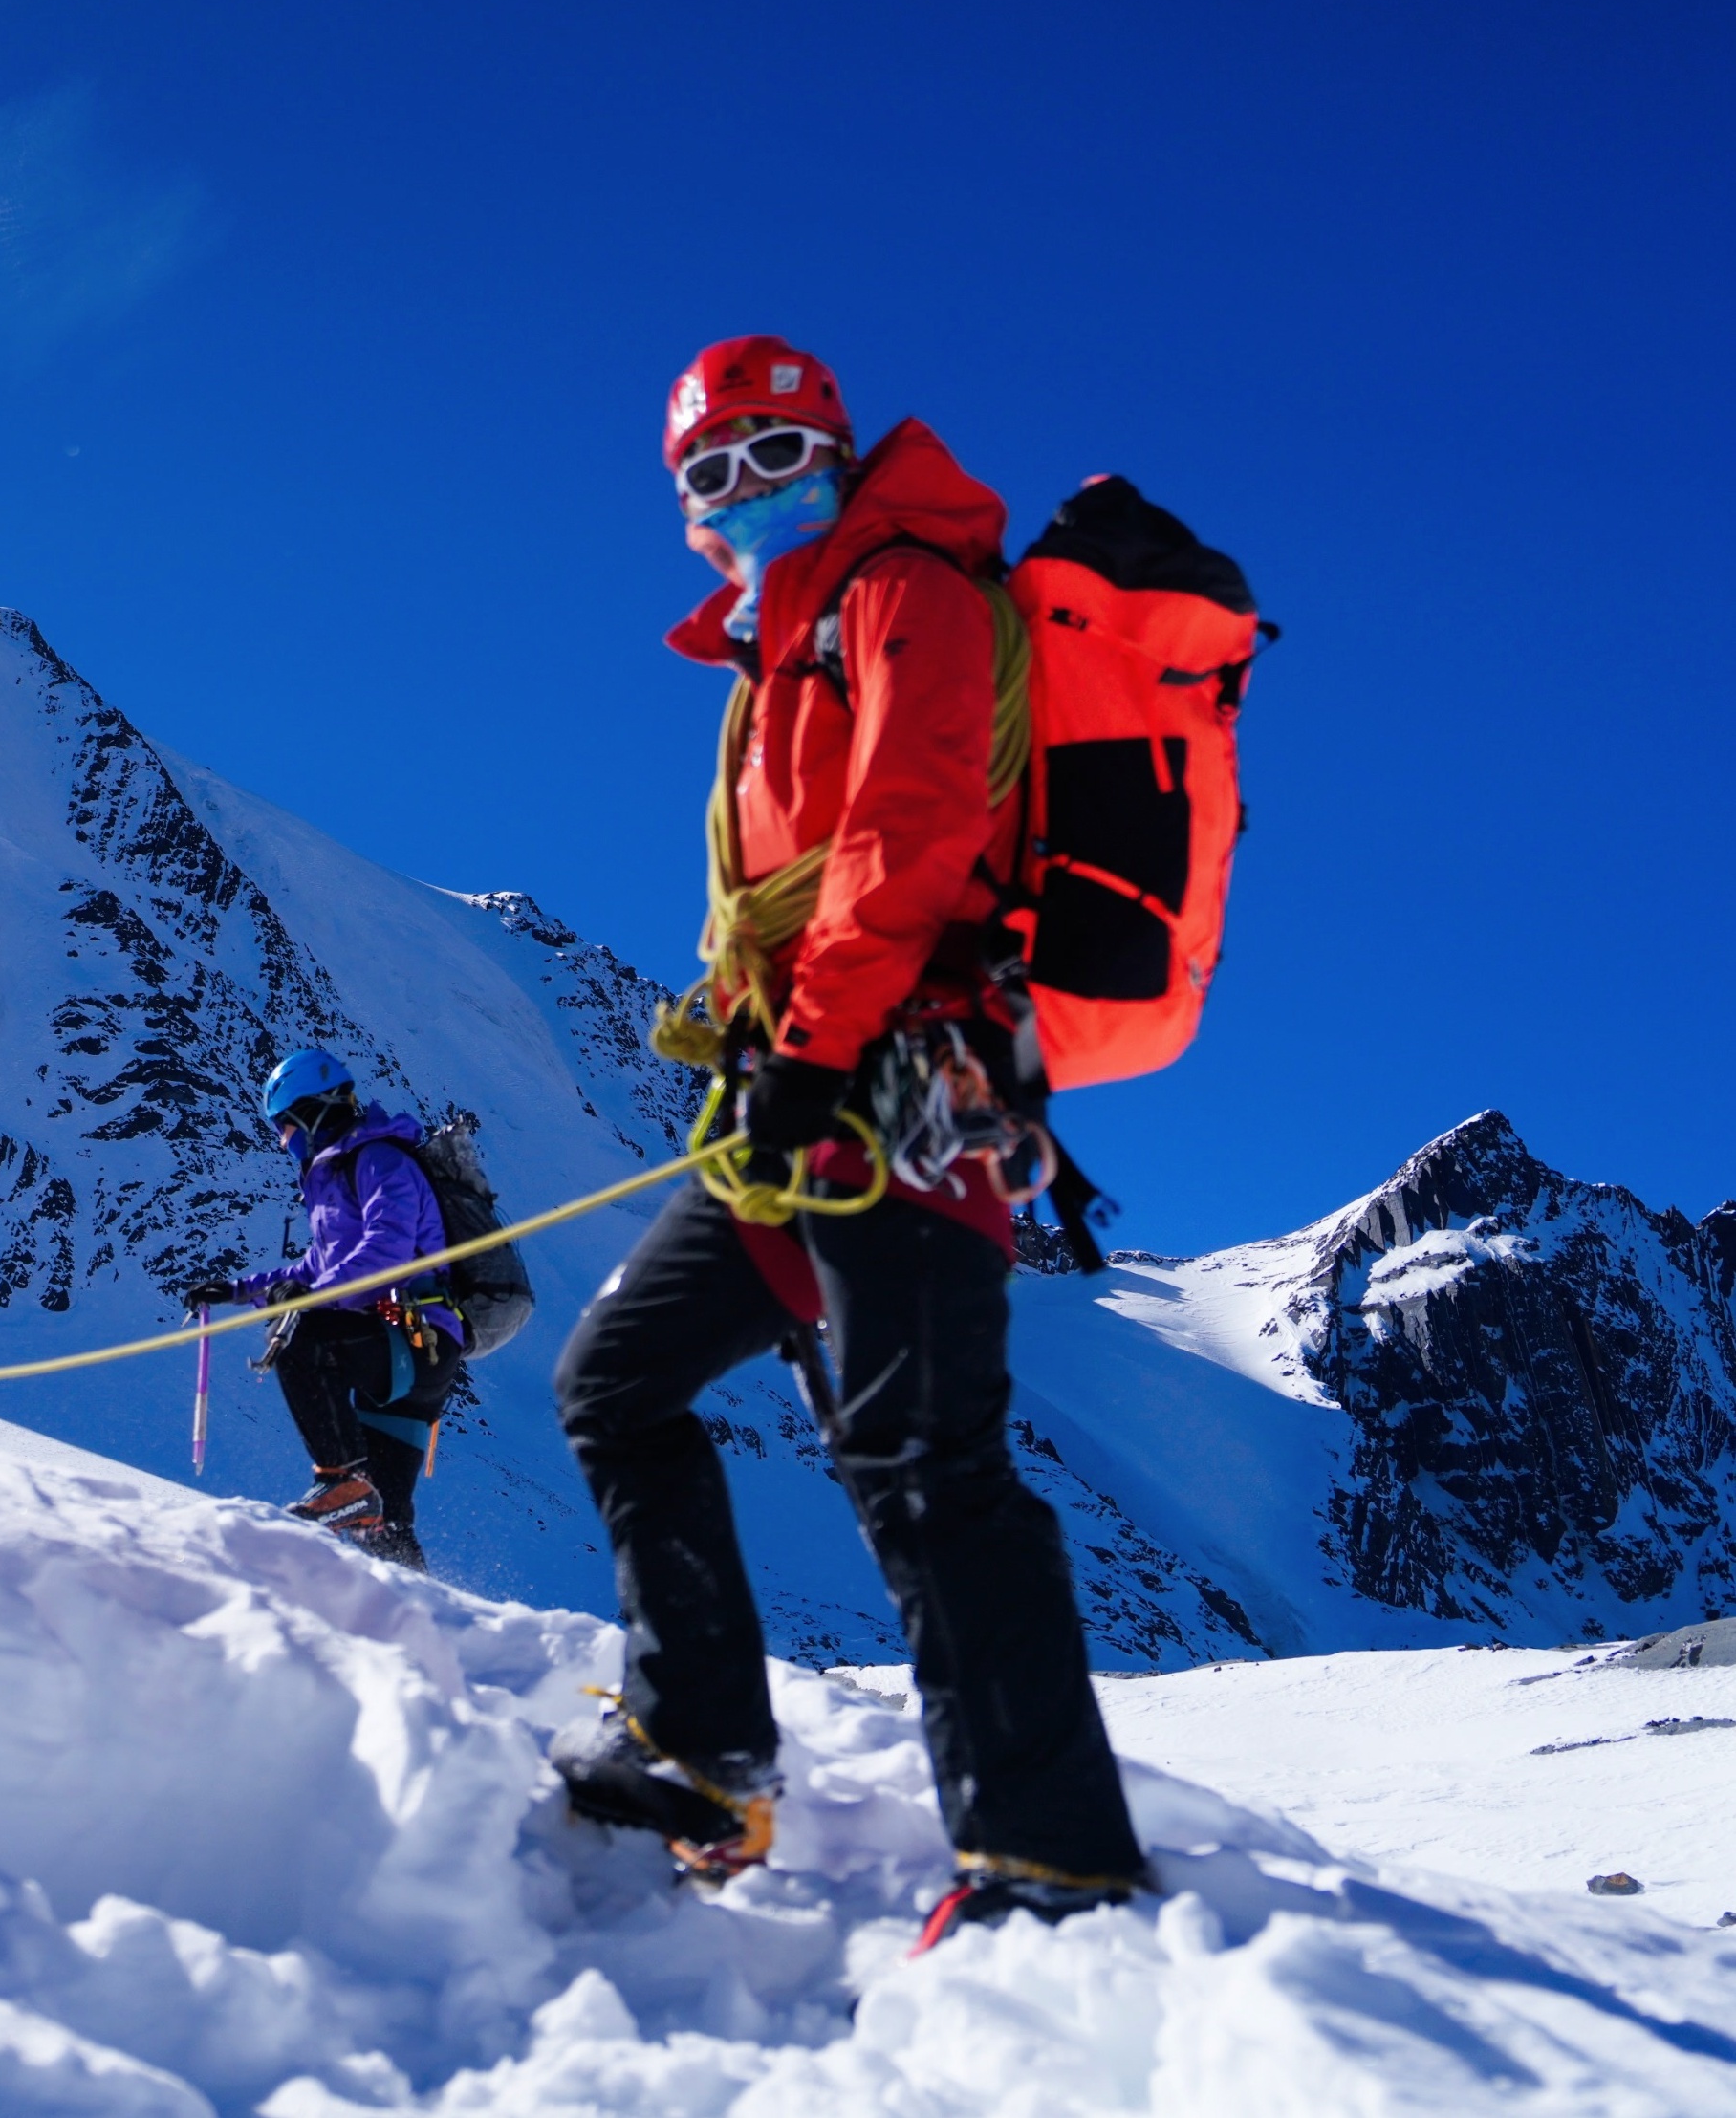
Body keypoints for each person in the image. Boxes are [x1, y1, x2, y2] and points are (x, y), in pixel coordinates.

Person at [547, 335, 1149, 1939]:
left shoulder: (905, 589)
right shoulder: (779, 641)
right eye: (708, 469)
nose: (744, 488)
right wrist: (776, 1049)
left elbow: (912, 823)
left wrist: (810, 1050)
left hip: (907, 1081)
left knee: (919, 1456)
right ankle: (703, 1750)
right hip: (801, 1083)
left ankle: (1053, 1861)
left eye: (772, 450)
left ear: (834, 449)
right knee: (618, 1379)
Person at [188, 1047, 467, 1571]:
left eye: (285, 1127)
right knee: (383, 1523)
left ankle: (339, 1480)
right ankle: (431, 1625)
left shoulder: (381, 1160)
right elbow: (311, 1269)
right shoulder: (337, 1177)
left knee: (296, 1331)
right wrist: (232, 1290)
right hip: (397, 1349)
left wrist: (309, 1302)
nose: (283, 1140)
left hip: (417, 1342)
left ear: (310, 1111)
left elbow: (385, 1252)